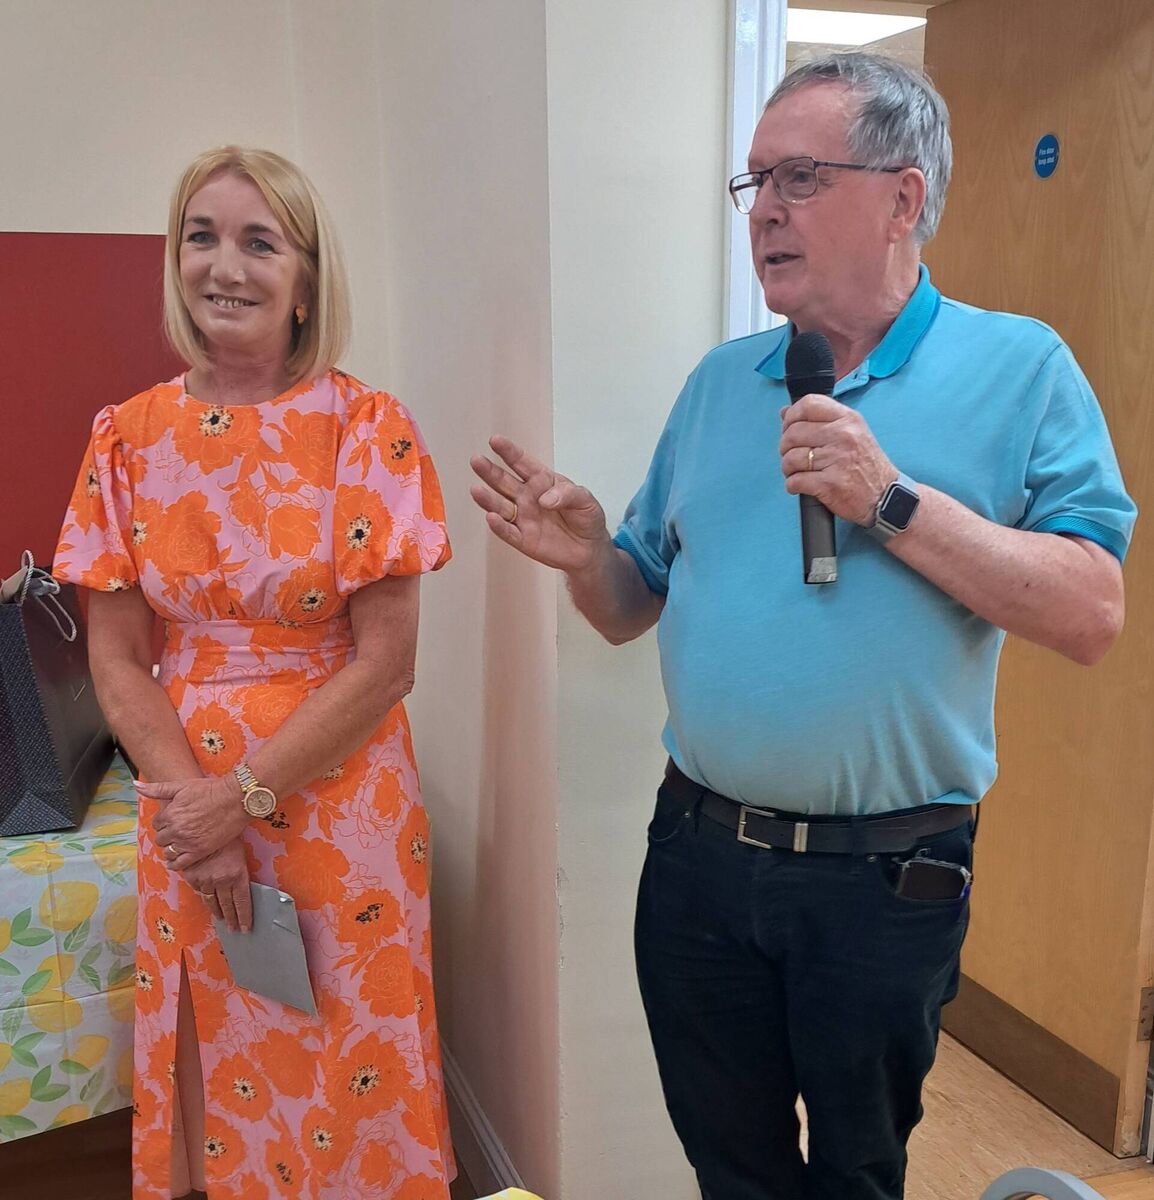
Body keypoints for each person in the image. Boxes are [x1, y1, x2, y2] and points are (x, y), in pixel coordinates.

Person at [470, 53, 1136, 1200]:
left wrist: (891, 500)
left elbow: (1089, 612)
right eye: (751, 184)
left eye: (797, 177)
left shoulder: (1021, 368)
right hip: (694, 863)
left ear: (902, 197)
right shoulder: (718, 386)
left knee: (853, 1176)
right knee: (727, 1165)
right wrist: (586, 557)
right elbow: (631, 606)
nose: (763, 210)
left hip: (884, 883)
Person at [54, 146, 453, 1200]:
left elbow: (386, 663)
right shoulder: (127, 438)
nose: (223, 264)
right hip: (182, 804)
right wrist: (200, 813)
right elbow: (113, 652)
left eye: (258, 241)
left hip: (337, 803)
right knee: (215, 1035)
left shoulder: (369, 431)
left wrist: (243, 800)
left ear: (306, 278)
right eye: (200, 236)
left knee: (345, 1045)